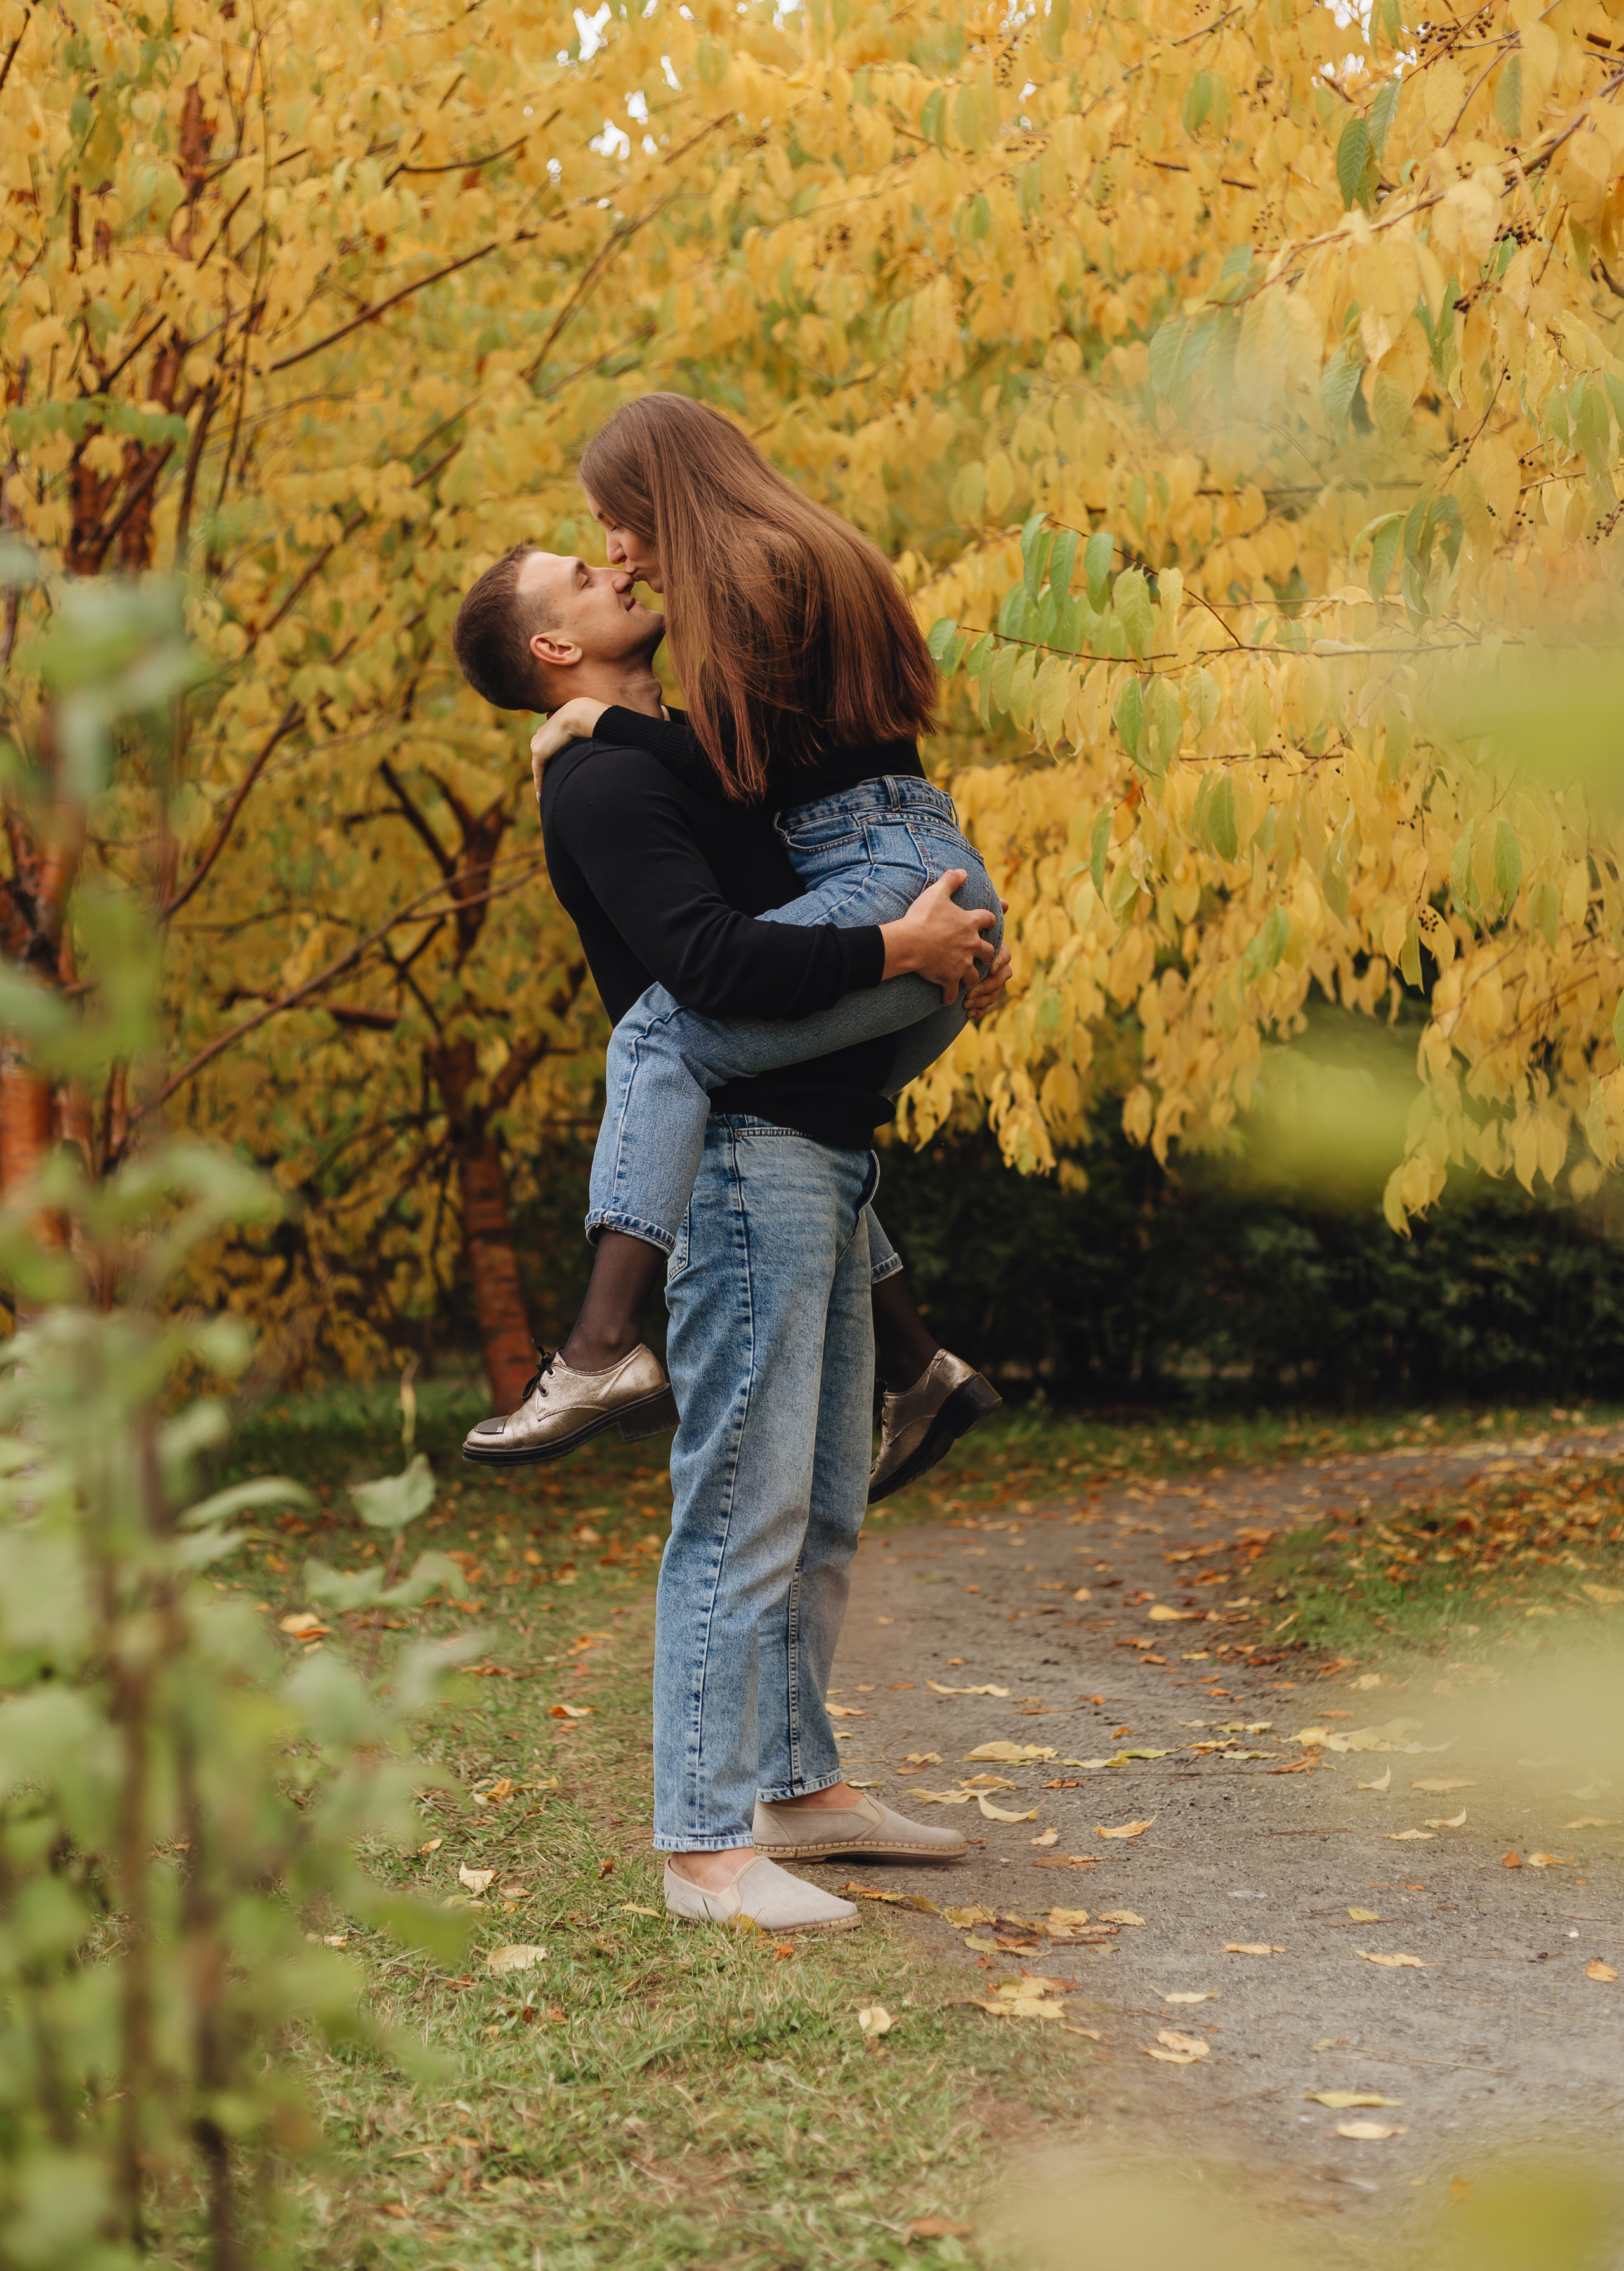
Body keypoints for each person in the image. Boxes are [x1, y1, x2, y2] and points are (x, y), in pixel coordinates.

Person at [450, 536, 1009, 1927]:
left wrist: (947, 951)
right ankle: (702, 1850)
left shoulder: (659, 751)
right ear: (550, 648)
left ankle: (794, 1788)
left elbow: (790, 866)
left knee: (819, 1504)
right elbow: (710, 964)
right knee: (739, 1509)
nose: (616, 569)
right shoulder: (604, 782)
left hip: (820, 1153)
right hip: (741, 1166)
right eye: (578, 574)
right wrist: (898, 953)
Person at [455, 394, 1007, 1504]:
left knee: (661, 1037)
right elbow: (769, 780)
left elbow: (736, 779)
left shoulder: (757, 576)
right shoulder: (798, 549)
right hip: (905, 856)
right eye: (596, 546)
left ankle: (601, 1346)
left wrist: (600, 723)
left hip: (883, 872)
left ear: (665, 489)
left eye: (616, 521)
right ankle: (917, 1367)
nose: (618, 554)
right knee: (797, 1099)